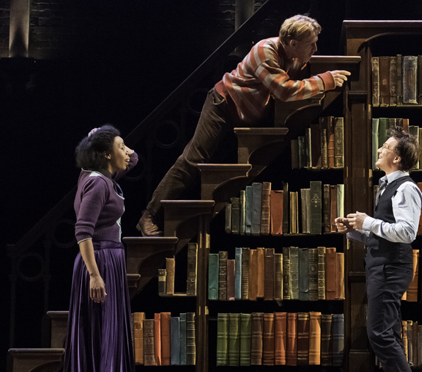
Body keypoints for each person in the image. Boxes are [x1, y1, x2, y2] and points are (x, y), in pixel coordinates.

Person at [137, 14, 351, 236]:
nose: (316, 48)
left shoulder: (297, 57)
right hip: (224, 104)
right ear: (293, 43)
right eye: (311, 44)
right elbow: (285, 90)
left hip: (249, 114)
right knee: (194, 159)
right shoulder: (265, 51)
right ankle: (150, 214)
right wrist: (325, 80)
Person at [334, 126, 422, 372]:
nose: (379, 150)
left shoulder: (406, 188)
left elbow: (407, 232)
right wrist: (354, 230)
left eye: (385, 147)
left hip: (390, 268)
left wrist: (368, 221)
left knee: (380, 334)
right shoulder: (387, 186)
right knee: (388, 335)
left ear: (397, 158)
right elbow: (383, 234)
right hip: (382, 266)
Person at [62, 125, 139, 372]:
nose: (127, 152)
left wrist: (105, 137)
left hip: (110, 260)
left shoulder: (103, 176)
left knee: (101, 334)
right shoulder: (97, 183)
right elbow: (83, 232)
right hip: (99, 261)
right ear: (106, 155)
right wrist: (94, 275)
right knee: (91, 334)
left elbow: (134, 159)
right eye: (121, 147)